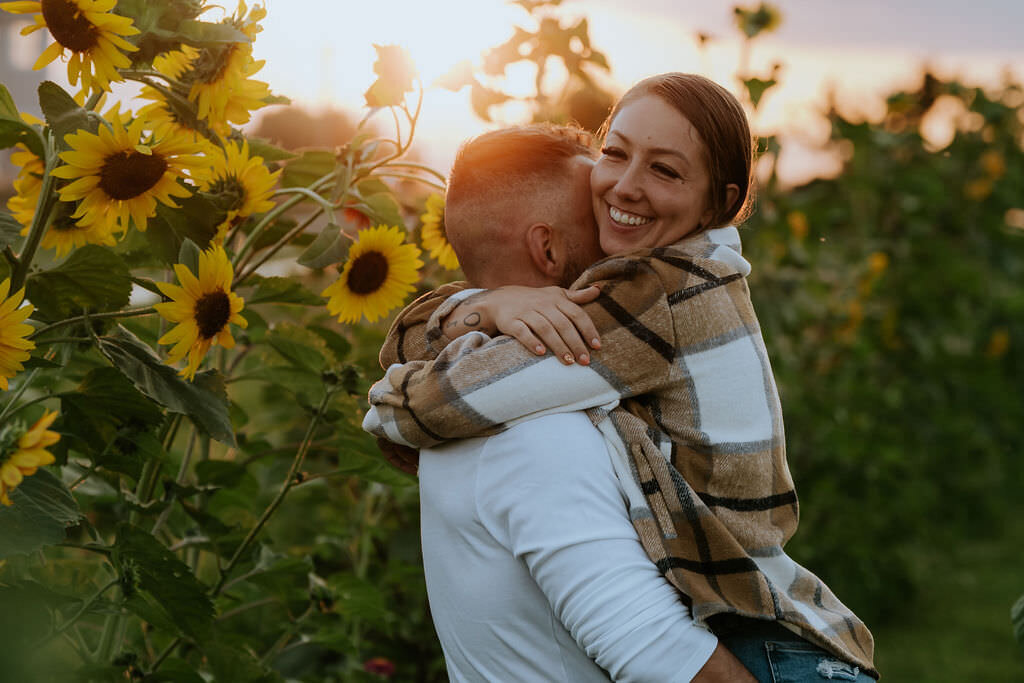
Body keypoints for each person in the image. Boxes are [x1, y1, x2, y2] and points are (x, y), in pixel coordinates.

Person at [366, 74, 878, 681]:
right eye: (614, 154)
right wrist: (490, 302)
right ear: (549, 252)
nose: (623, 190)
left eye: (665, 170)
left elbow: (421, 405)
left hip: (763, 648)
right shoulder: (670, 288)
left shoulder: (647, 296)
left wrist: (386, 410)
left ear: (719, 200)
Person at [401, 124, 755, 681]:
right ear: (548, 248)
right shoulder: (539, 438)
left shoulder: (479, 401)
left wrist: (484, 305)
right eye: (599, 216)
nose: (623, 220)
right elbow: (667, 663)